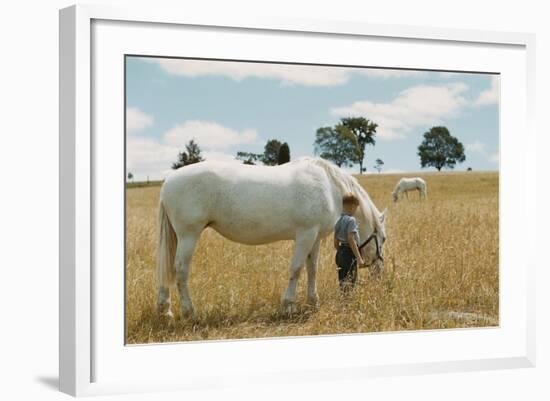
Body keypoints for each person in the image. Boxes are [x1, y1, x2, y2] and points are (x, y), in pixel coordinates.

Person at [334, 193, 366, 291]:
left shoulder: (338, 220)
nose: (356, 210)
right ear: (352, 206)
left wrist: (340, 251)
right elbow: (351, 239)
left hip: (340, 253)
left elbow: (335, 240)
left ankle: (344, 300)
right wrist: (359, 258)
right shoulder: (351, 220)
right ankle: (348, 302)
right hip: (349, 252)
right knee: (351, 280)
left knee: (342, 280)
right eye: (356, 207)